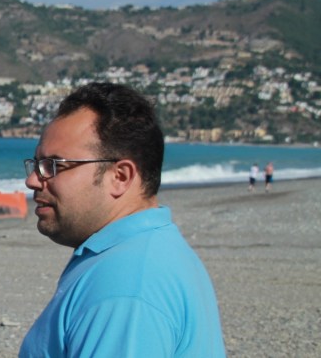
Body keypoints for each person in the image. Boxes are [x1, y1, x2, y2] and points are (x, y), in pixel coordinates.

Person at [19, 83, 225, 357]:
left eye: (54, 166)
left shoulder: (127, 284)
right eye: (36, 164)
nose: (32, 180)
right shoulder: (145, 249)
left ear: (120, 177)